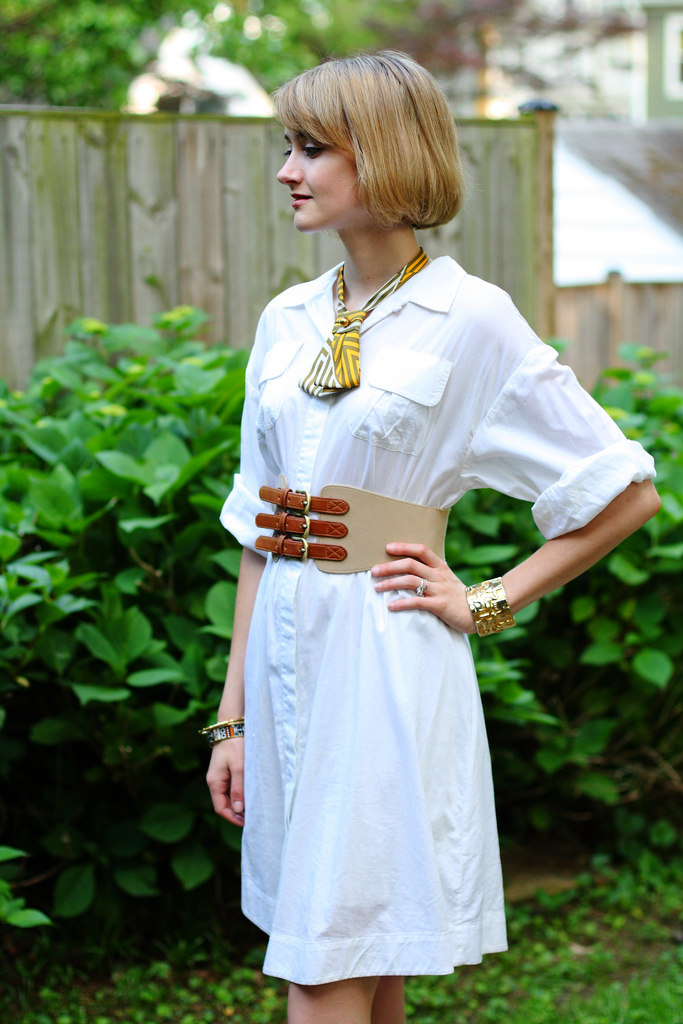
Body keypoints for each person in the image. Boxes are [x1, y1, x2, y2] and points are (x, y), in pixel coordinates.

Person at [205, 51, 659, 1024]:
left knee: (325, 961)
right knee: (365, 960)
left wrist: (485, 598)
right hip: (288, 660)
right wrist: (232, 717)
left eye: (312, 148)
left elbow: (618, 489)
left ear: (383, 154)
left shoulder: (470, 320)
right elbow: (259, 528)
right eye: (288, 146)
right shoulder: (284, 322)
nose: (287, 169)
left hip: (384, 654)